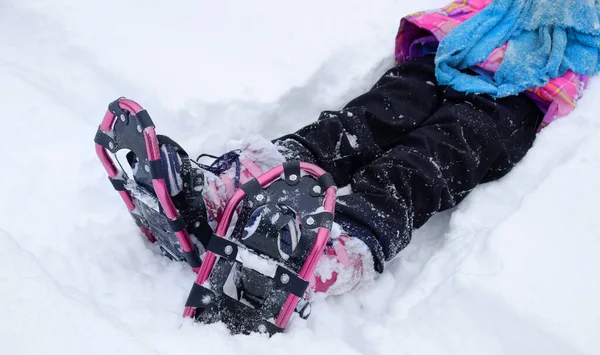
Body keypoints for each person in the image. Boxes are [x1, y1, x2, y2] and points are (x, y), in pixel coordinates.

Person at [97, 0, 596, 330]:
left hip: (532, 86)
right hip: (463, 42)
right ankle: (234, 185)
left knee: (435, 153)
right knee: (367, 118)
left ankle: (344, 246)